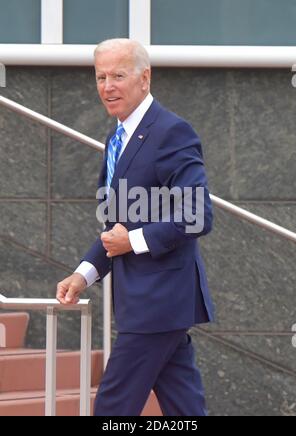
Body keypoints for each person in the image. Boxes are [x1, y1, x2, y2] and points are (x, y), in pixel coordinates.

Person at [56, 38, 214, 416]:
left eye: (118, 76)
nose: (107, 86)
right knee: (185, 406)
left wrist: (135, 241)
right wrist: (84, 273)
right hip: (154, 304)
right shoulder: (117, 137)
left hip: (157, 301)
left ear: (145, 78)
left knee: (113, 406)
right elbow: (117, 227)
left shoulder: (171, 132)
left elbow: (198, 215)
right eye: (100, 77)